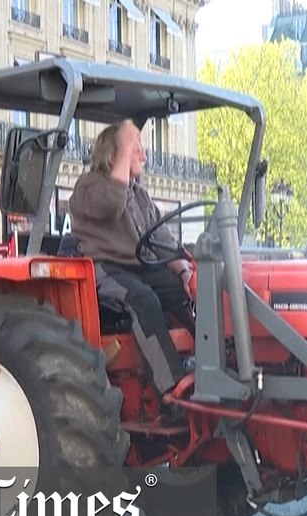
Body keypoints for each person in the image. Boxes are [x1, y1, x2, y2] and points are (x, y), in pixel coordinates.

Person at [70, 119, 193, 418]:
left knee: (185, 293)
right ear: (115, 154)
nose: (143, 155)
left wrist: (185, 272)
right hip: (104, 268)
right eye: (135, 149)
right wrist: (124, 145)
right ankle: (171, 390)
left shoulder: (139, 194)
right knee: (143, 298)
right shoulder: (88, 187)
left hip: (140, 266)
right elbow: (111, 204)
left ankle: (211, 364)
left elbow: (160, 237)